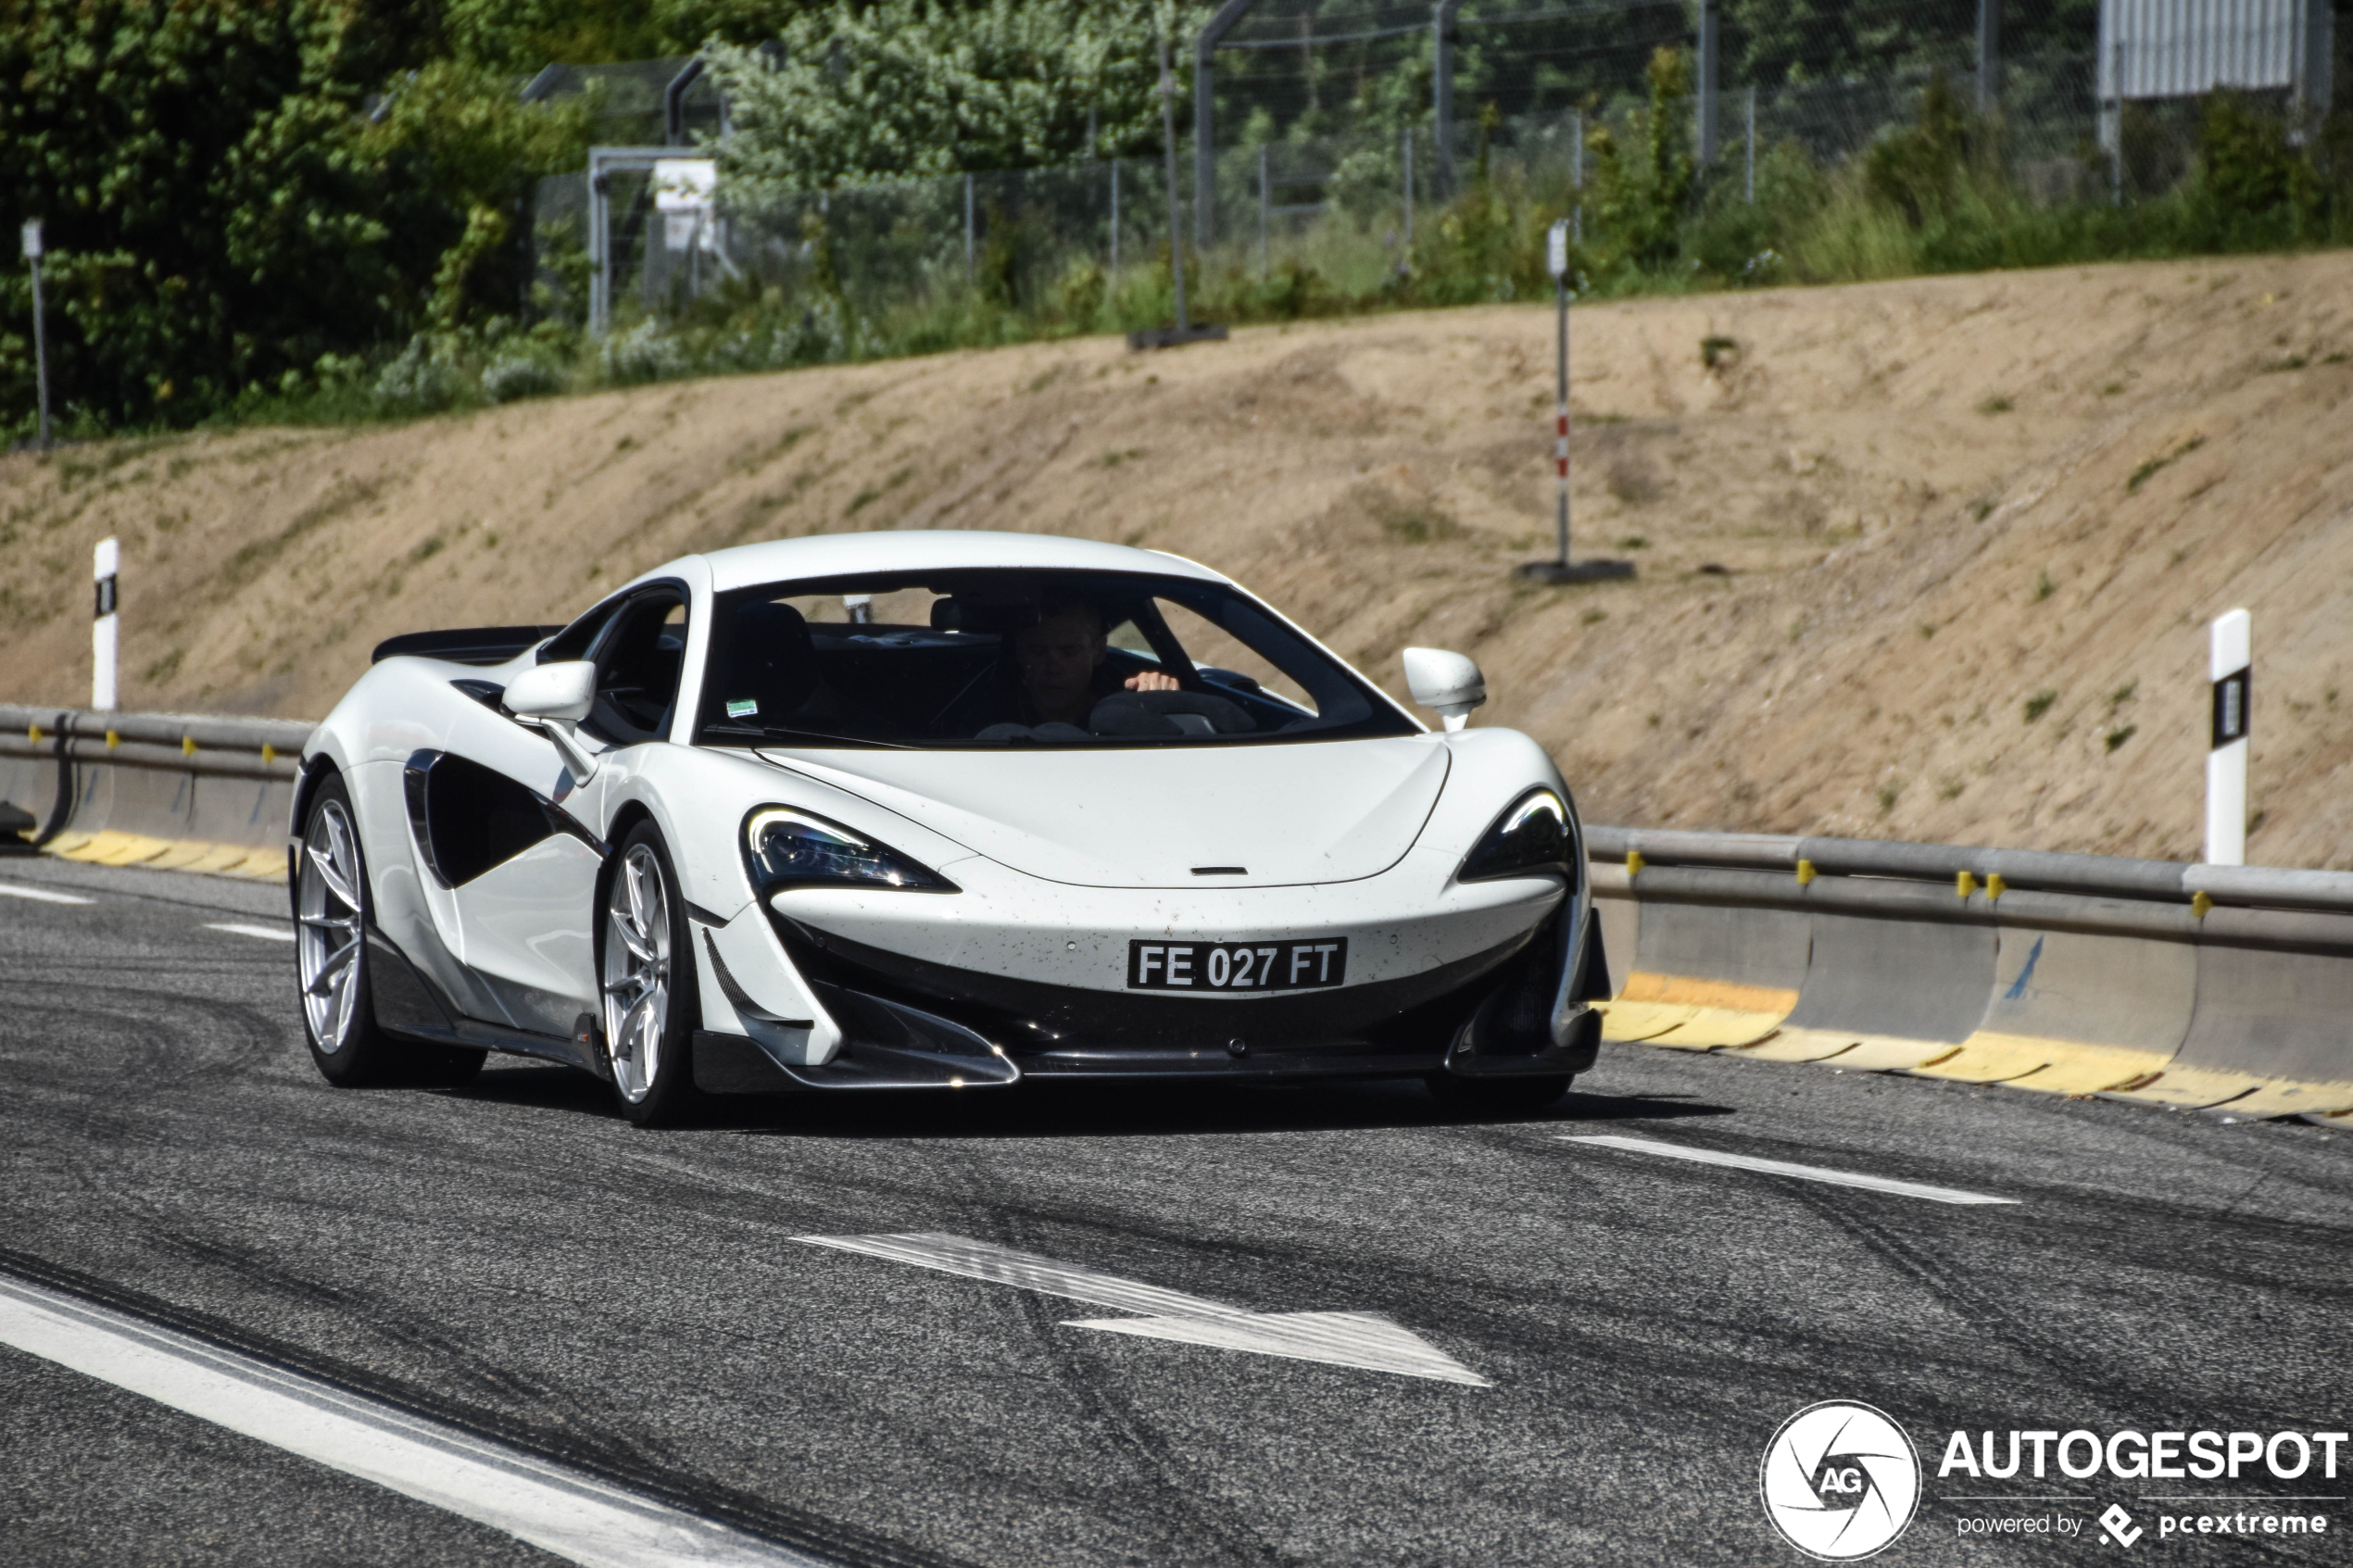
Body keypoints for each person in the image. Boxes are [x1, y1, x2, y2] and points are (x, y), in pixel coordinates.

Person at [1011, 599, 1178, 726]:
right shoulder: (990, 717)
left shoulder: (1127, 709)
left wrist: (1157, 694)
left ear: (1098, 652)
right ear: (1020, 653)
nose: (1053, 668)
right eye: (1038, 651)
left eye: (1069, 652)